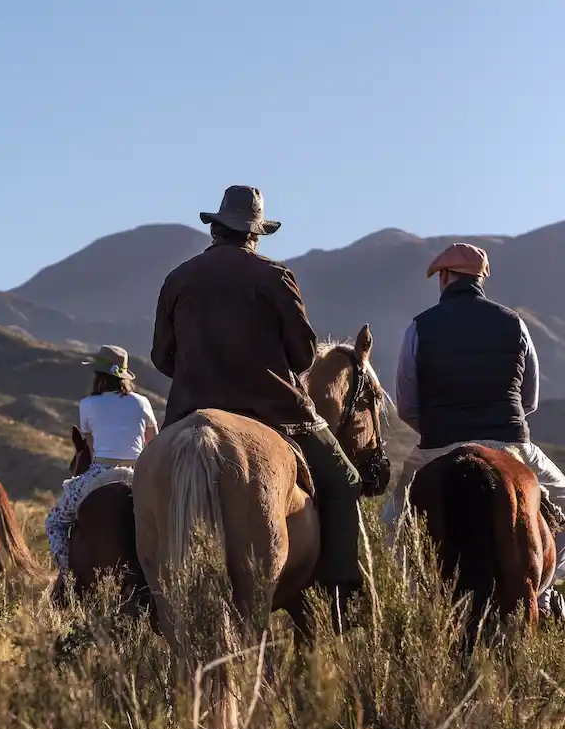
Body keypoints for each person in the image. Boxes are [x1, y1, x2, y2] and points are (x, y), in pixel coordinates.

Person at [150, 184, 364, 626]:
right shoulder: (274, 276)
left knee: (139, 494)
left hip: (189, 412)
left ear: (217, 227)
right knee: (344, 480)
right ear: (256, 233)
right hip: (275, 414)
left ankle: (137, 598)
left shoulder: (178, 278)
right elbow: (304, 355)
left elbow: (160, 358)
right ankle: (342, 600)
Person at [383, 242, 565, 617]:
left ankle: (418, 605)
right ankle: (544, 591)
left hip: (438, 445)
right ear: (481, 278)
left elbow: (407, 403)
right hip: (509, 442)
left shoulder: (420, 327)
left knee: (392, 524)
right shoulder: (514, 323)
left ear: (445, 278)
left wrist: (438, 428)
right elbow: (528, 399)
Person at [45, 345, 159, 580]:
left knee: (54, 522)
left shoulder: (88, 404)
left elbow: (90, 447)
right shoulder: (142, 403)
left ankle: (68, 577)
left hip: (101, 472)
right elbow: (153, 444)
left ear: (98, 375)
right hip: (138, 473)